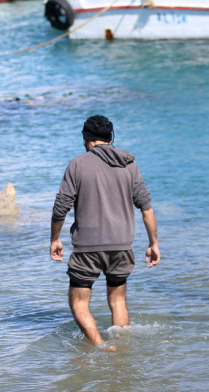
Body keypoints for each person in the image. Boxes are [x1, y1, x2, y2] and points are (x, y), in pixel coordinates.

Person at [50, 115, 160, 346]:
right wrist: (153, 243)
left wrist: (55, 239)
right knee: (118, 301)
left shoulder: (77, 164)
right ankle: (120, 350)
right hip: (122, 244)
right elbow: (146, 206)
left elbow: (61, 206)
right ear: (110, 138)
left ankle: (100, 346)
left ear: (86, 138)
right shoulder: (129, 164)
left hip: (87, 247)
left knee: (79, 303)